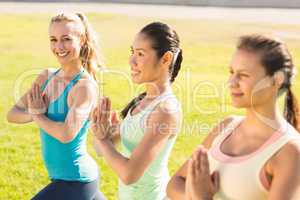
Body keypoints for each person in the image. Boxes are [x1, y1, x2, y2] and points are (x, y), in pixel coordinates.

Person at [167, 34, 300, 200]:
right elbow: (175, 183)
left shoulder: (289, 152)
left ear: (277, 80)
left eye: (243, 75)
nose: (231, 82)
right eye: (232, 72)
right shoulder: (227, 127)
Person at [7, 12, 105, 200]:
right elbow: (12, 114)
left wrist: (37, 115)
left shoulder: (83, 86)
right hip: (64, 179)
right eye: (53, 39)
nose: (59, 46)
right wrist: (35, 113)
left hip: (77, 180)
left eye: (66, 39)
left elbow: (66, 134)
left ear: (82, 40)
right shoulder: (46, 76)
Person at [91, 22, 183, 200]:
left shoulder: (165, 111)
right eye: (132, 52)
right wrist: (101, 132)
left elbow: (129, 175)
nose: (131, 61)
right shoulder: (142, 102)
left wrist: (103, 140)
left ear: (165, 59)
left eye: (140, 54)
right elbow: (101, 150)